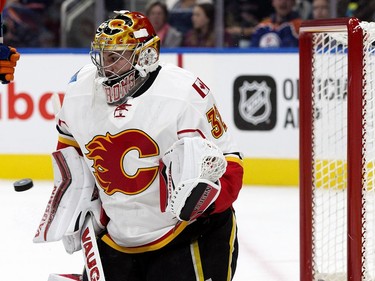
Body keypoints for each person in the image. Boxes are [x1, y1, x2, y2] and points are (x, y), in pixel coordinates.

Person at [43, 10, 244, 281]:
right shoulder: (80, 91)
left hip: (187, 236)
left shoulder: (184, 94)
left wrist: (204, 202)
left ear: (146, 56)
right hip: (119, 240)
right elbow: (72, 160)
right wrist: (78, 207)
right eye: (102, 56)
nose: (105, 66)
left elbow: (231, 162)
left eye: (116, 57)